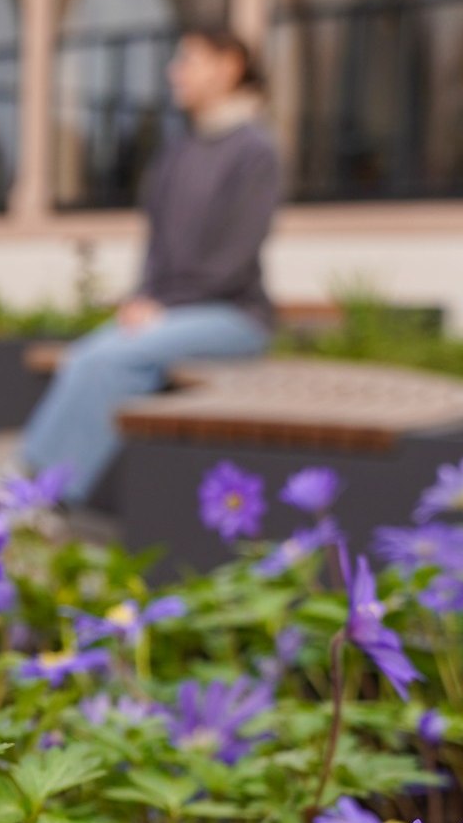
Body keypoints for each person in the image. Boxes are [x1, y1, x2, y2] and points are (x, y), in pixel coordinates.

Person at [21, 26, 281, 502]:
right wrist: (143, 298)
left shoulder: (255, 152)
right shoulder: (177, 152)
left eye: (189, 60)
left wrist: (162, 305)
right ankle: (31, 482)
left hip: (235, 317)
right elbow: (157, 247)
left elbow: (234, 259)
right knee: (83, 357)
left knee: (112, 358)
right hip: (171, 309)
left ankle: (45, 495)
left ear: (230, 67)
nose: (174, 71)